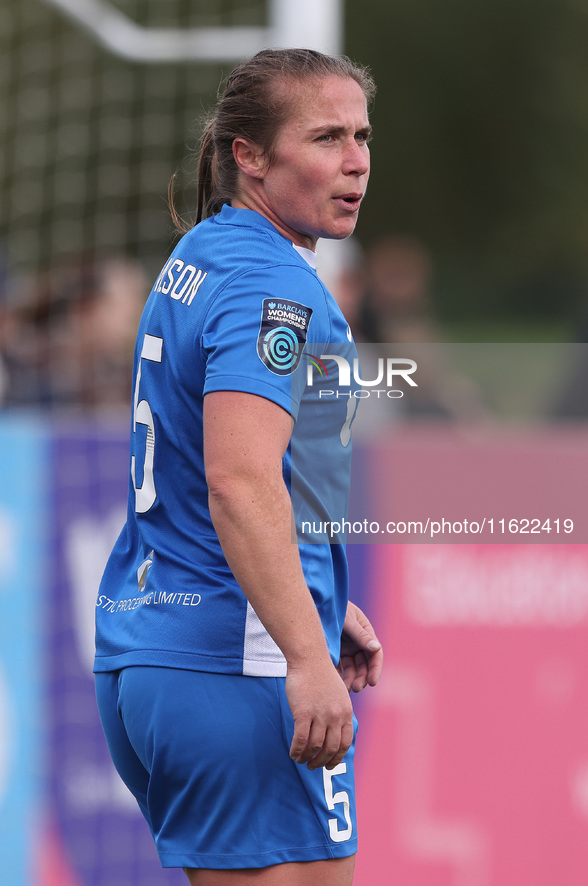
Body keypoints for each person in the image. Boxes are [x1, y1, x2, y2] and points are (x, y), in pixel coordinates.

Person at [94, 48, 383, 886]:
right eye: (325, 137)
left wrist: (318, 600)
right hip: (237, 667)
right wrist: (301, 652)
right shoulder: (270, 286)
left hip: (154, 657)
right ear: (247, 155)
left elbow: (217, 471)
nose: (356, 160)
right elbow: (237, 480)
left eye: (362, 135)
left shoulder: (207, 252)